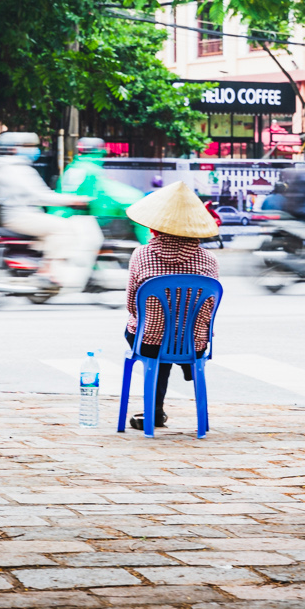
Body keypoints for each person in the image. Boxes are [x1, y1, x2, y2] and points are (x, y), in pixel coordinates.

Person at [122, 180, 221, 431]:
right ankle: (187, 365)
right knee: (176, 336)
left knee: (149, 338)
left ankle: (154, 412)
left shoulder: (141, 255)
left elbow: (133, 306)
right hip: (194, 343)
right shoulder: (210, 260)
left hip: (150, 341)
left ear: (155, 227)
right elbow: (208, 310)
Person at [0, 132, 95, 288]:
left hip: (17, 215)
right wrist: (72, 200)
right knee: (64, 228)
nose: (34, 150)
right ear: (14, 149)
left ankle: (35, 265)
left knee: (51, 228)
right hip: (20, 217)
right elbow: (40, 195)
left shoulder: (3, 166)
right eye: (29, 146)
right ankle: (47, 271)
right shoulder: (17, 170)